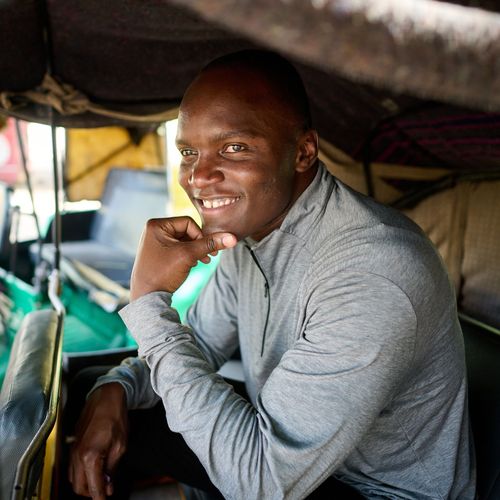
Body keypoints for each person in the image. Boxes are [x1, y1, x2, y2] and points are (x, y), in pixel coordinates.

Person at [67, 50, 476, 499]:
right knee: (94, 393)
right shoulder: (249, 236)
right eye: (188, 152)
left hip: (371, 491)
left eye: (234, 148)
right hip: (294, 465)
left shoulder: (373, 269)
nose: (199, 176)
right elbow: (199, 346)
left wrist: (147, 299)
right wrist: (117, 385)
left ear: (303, 152)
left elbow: (262, 484)